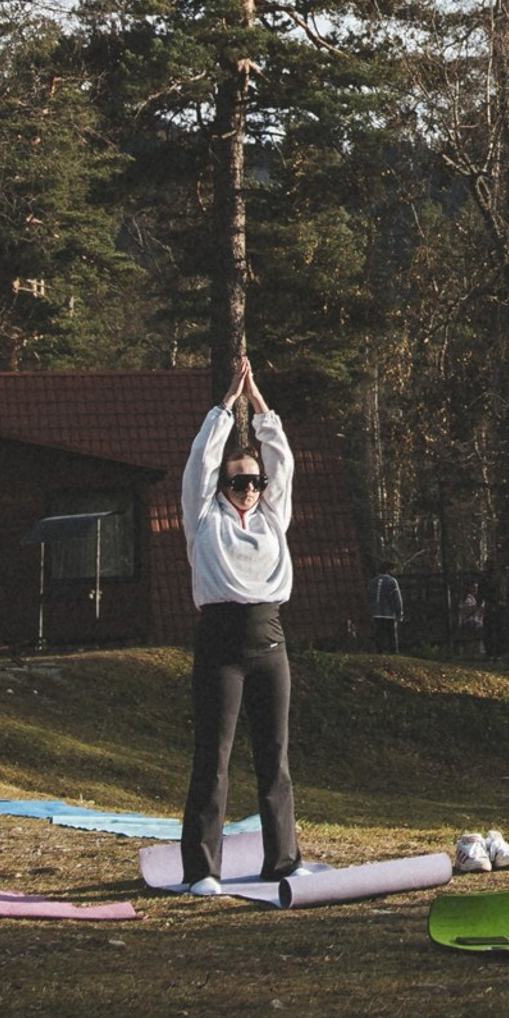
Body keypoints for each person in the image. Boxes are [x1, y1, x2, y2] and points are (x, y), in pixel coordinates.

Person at [177, 355, 302, 895]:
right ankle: (203, 869)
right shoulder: (204, 519)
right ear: (223, 486)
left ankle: (283, 860)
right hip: (220, 646)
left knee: (274, 759)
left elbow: (284, 460)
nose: (248, 488)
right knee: (214, 758)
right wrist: (227, 406)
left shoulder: (275, 517)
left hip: (270, 643)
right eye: (238, 481)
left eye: (254, 481)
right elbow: (199, 465)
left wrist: (262, 407)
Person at [370, 563, 403, 655]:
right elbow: (397, 598)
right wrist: (399, 613)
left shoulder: (373, 581)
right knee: (391, 634)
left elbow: (370, 596)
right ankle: (394, 652)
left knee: (379, 634)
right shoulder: (392, 581)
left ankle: (379, 652)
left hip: (376, 612)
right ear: (388, 570)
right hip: (389, 613)